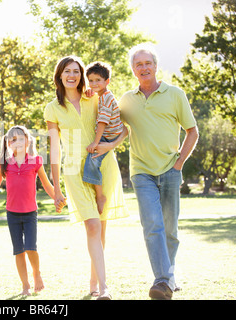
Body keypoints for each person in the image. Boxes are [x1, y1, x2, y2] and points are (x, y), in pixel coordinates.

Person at [118, 43, 199, 300]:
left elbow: (192, 131)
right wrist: (92, 93)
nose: (144, 68)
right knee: (152, 225)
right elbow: (109, 120)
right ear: (132, 69)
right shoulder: (127, 100)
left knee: (170, 229)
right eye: (138, 64)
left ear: (155, 66)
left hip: (170, 170)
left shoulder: (175, 94)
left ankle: (168, 275)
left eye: (148, 63)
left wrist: (179, 163)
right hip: (141, 172)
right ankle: (162, 281)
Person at [44, 56, 128, 300]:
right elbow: (54, 148)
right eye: (67, 71)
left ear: (82, 75)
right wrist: (56, 187)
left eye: (76, 71)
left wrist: (111, 145)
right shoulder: (52, 108)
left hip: (103, 166)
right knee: (91, 224)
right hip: (73, 170)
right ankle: (104, 288)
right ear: (59, 75)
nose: (72, 75)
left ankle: (94, 281)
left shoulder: (95, 97)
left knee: (100, 228)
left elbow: (123, 129)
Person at [0, 125, 64, 296]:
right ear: (9, 144)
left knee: (31, 248)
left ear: (28, 141)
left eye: (21, 138)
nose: (18, 142)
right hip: (12, 214)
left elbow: (47, 185)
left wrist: (57, 197)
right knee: (18, 251)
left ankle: (36, 273)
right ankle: (25, 286)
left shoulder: (36, 161)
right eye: (13, 139)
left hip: (30, 213)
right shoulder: (4, 164)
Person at [83, 61, 124, 214]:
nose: (94, 84)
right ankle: (98, 194)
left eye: (98, 80)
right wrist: (91, 91)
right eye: (91, 81)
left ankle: (100, 196)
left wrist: (96, 142)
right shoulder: (102, 95)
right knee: (93, 161)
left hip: (108, 136)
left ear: (107, 81)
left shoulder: (106, 98)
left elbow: (102, 122)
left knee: (92, 160)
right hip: (110, 134)